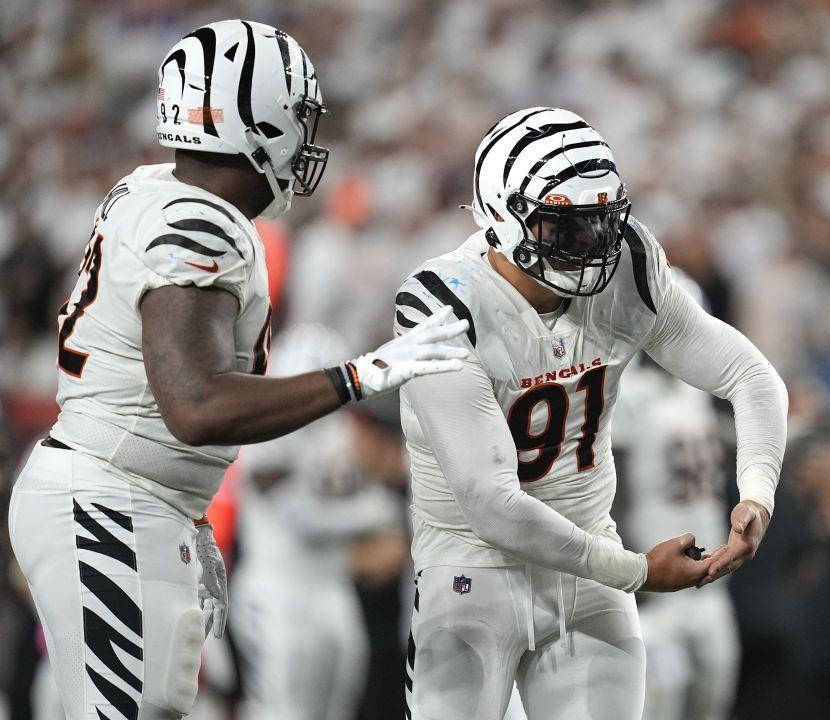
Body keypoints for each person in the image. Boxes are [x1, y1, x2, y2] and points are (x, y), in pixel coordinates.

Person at [6, 19, 467, 720]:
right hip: (109, 501)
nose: (308, 138)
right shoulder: (201, 223)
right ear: (254, 120)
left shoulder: (156, 189)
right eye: (299, 117)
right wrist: (360, 374)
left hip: (119, 493)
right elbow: (195, 406)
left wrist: (187, 516)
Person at [394, 107, 788, 720]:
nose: (593, 247)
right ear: (503, 215)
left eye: (601, 224)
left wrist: (756, 493)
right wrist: (633, 570)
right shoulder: (443, 304)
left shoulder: (626, 265)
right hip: (471, 572)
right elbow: (492, 504)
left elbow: (752, 376)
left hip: (589, 568)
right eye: (566, 228)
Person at [229, 324, 403, 720]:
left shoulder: (341, 431)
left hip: (333, 589)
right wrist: (373, 516)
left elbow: (382, 480)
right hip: (278, 590)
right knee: (283, 712)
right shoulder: (265, 431)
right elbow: (297, 517)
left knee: (338, 709)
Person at [611, 276, 741, 720]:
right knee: (657, 706)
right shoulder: (626, 392)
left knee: (712, 700)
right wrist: (631, 575)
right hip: (657, 583)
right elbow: (612, 495)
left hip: (708, 579)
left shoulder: (696, 391)